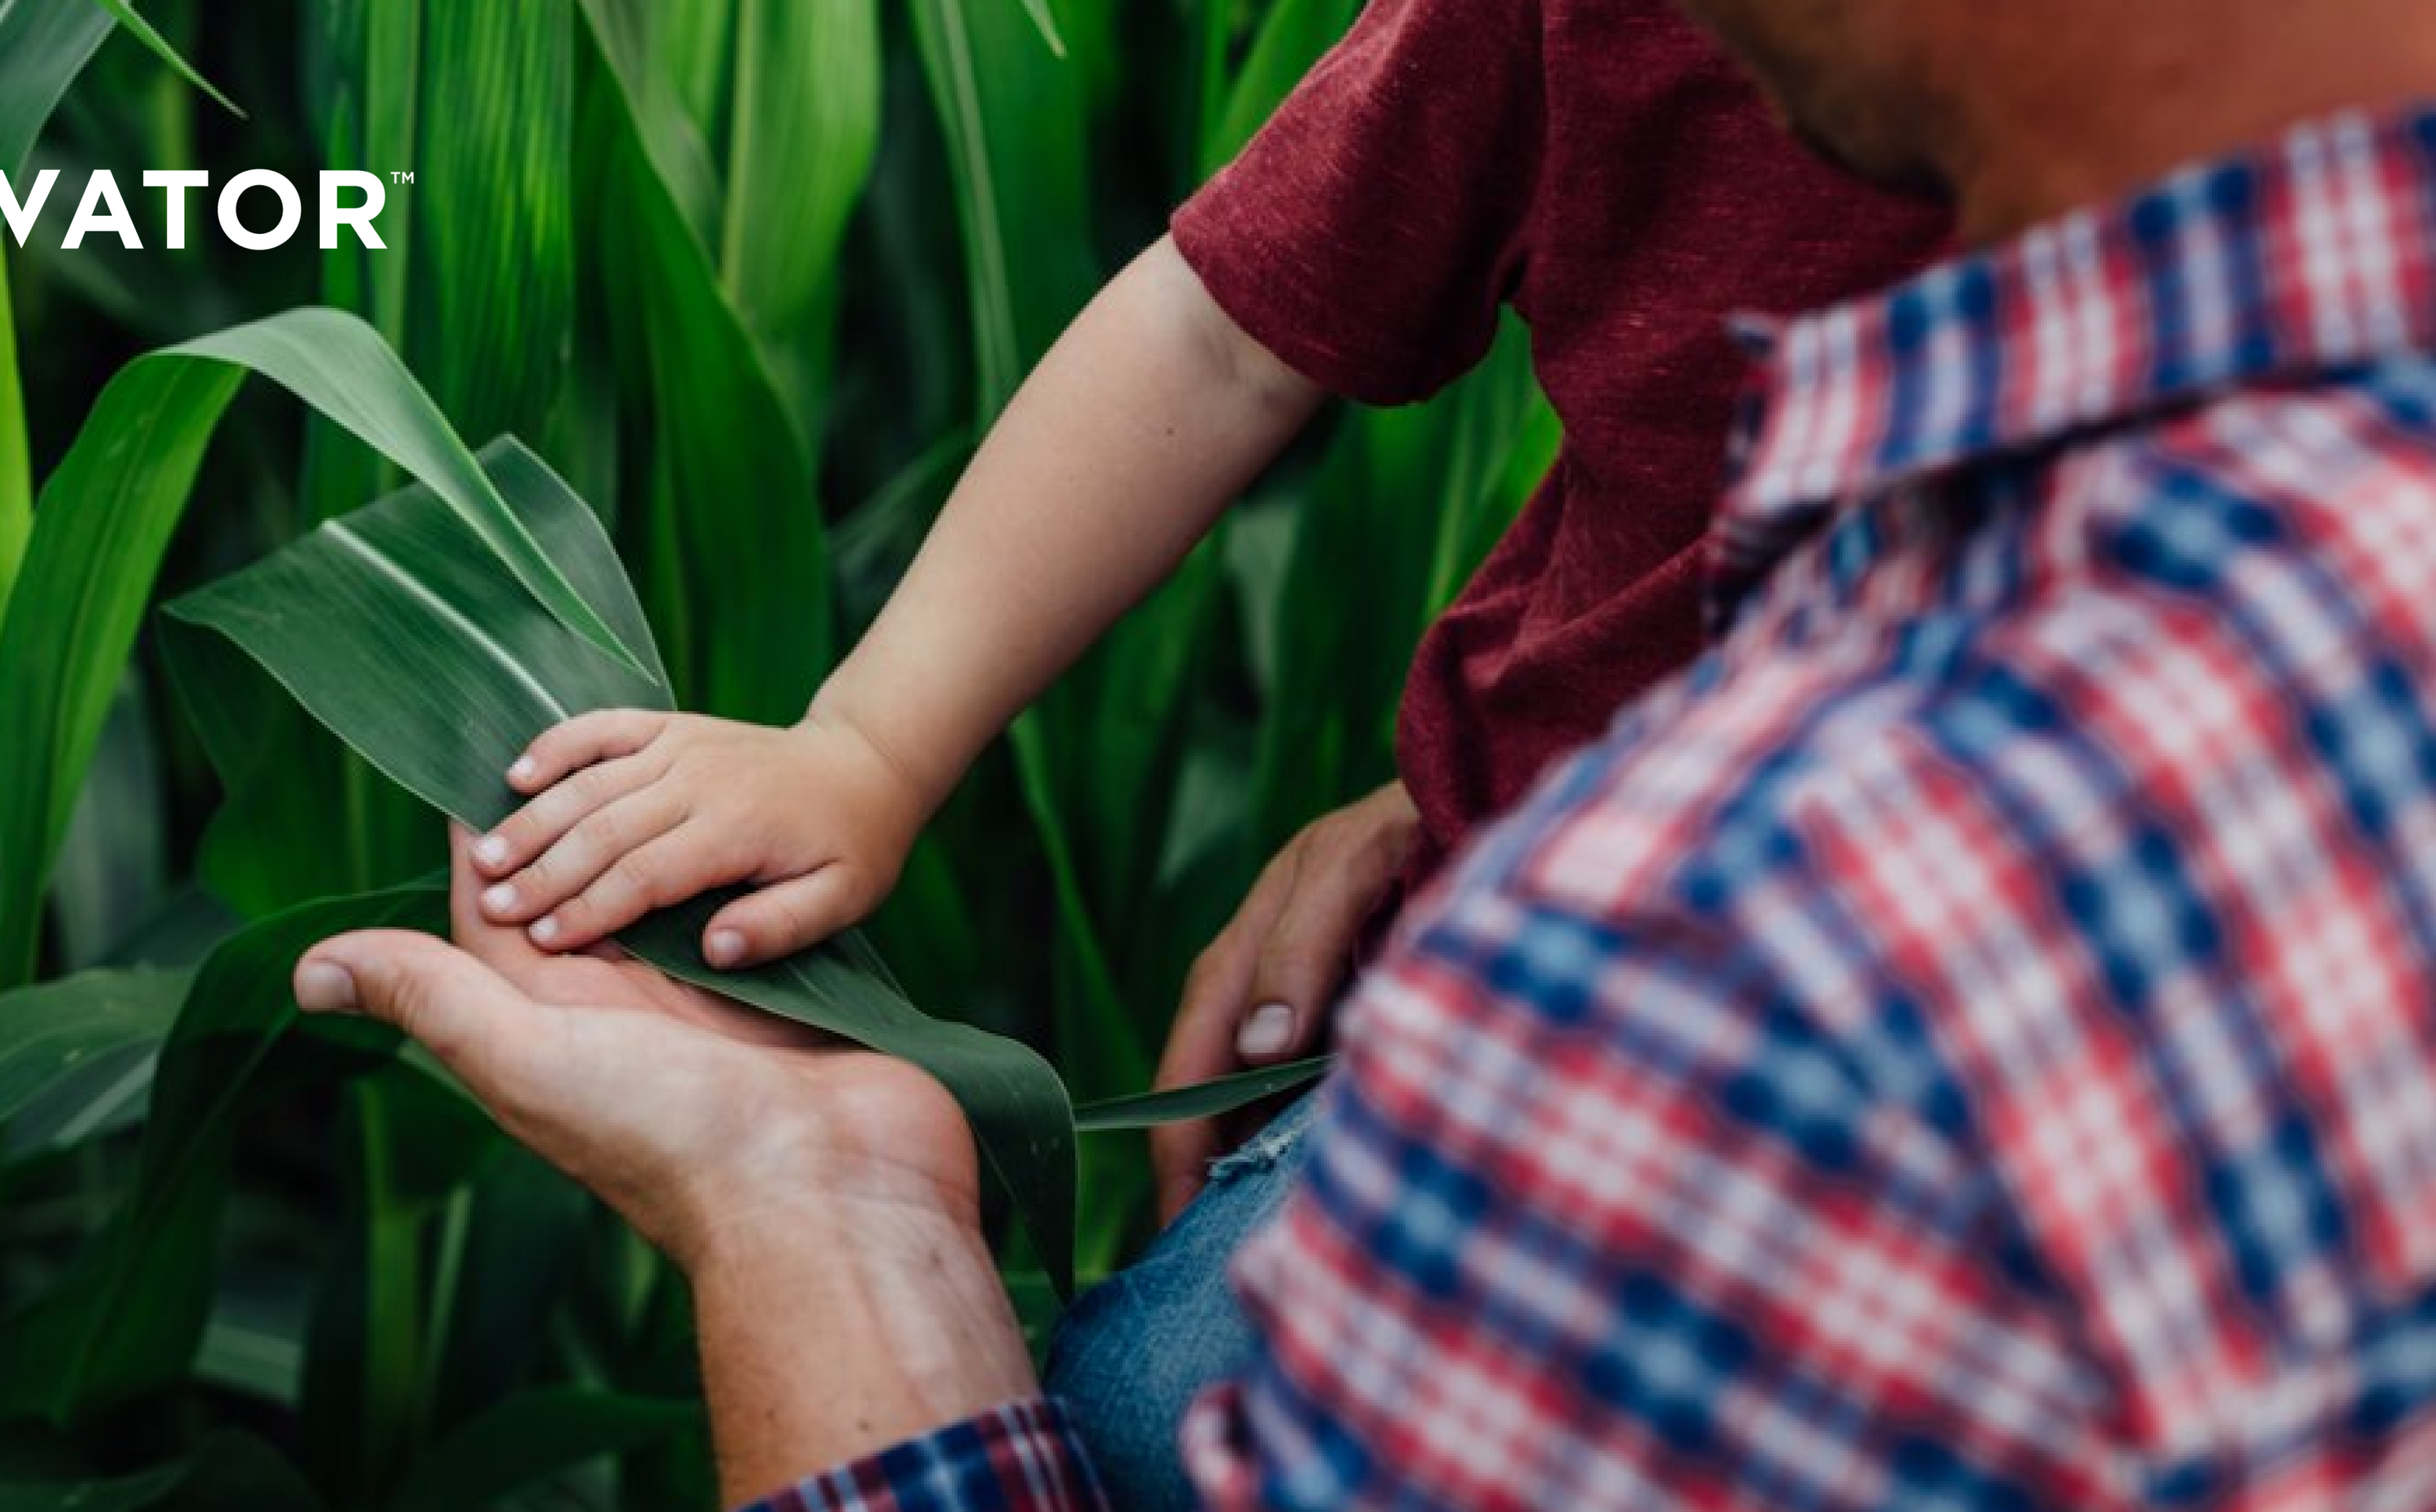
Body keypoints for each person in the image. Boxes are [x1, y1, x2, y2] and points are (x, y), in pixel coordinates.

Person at [295, 0, 2436, 1502]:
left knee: (1143, 1413)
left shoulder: (1760, 930)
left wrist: (808, 1220)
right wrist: (871, 737)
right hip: (1592, 935)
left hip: (1693, 1069)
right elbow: (1229, 323)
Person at [456, 9, 1939, 1492]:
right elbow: (1220, 331)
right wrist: (868, 743)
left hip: (1897, 1065)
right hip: (1540, 955)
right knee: (1145, 1411)